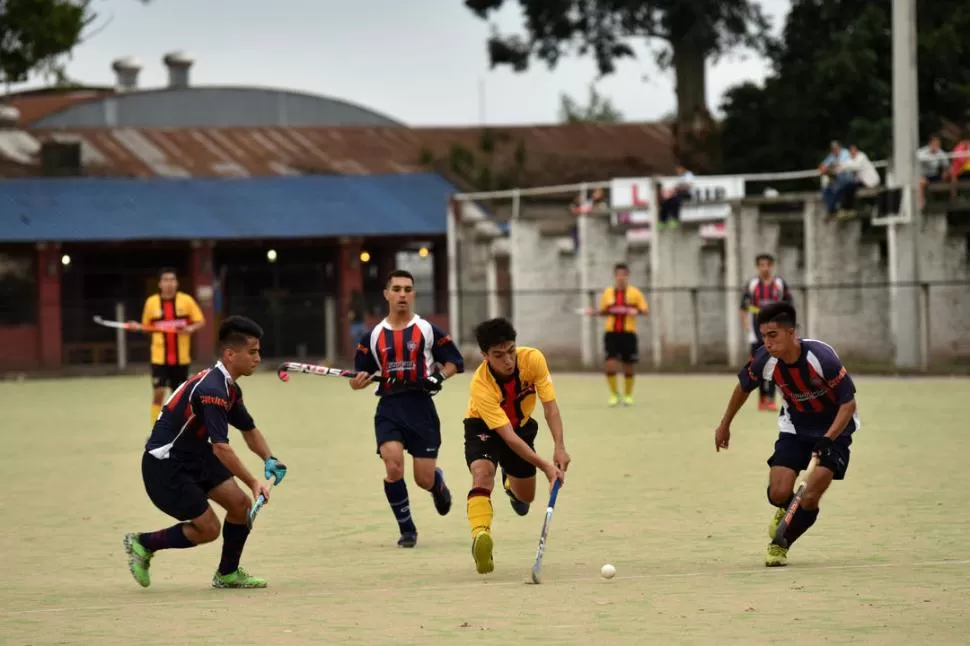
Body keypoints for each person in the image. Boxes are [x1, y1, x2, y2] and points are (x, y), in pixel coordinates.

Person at [124, 316, 287, 589]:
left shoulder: (229, 388)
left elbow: (248, 429)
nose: (258, 358)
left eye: (258, 351)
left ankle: (227, 574)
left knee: (241, 506)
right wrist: (253, 482)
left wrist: (269, 458)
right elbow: (222, 448)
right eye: (252, 352)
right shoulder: (212, 390)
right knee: (209, 529)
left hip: (196, 455)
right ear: (230, 354)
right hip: (165, 466)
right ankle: (142, 543)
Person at [713, 302, 860, 568]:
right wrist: (725, 425)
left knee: (811, 495)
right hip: (795, 427)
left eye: (773, 336)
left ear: (791, 333)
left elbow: (848, 404)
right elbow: (743, 388)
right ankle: (786, 507)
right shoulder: (764, 360)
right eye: (764, 336)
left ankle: (780, 545)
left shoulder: (822, 359)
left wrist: (828, 439)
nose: (767, 343)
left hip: (836, 428)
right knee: (778, 493)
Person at [349, 269, 464, 548]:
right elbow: (359, 376)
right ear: (387, 294)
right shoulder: (373, 335)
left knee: (422, 478)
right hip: (389, 406)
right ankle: (407, 529)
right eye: (397, 289)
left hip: (421, 408)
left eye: (408, 289)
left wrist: (439, 377)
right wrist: (358, 383)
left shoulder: (426, 329)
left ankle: (436, 483)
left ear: (412, 294)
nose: (402, 294)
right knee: (393, 465)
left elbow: (455, 362)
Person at [463, 317, 570, 575]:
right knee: (482, 473)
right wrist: (545, 465)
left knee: (526, 498)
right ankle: (480, 535)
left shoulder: (533, 360)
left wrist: (559, 447)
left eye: (511, 351)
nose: (508, 360)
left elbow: (550, 407)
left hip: (521, 425)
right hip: (483, 427)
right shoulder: (481, 385)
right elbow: (507, 437)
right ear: (484, 355)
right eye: (498, 355)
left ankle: (511, 486)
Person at [141, 267, 206, 425]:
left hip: (181, 358)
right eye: (165, 280)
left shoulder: (186, 301)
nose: (168, 283)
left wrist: (190, 328)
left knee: (180, 396)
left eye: (172, 280)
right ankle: (155, 428)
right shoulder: (151, 303)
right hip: (159, 357)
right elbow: (145, 327)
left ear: (177, 283)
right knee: (159, 391)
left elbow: (200, 321)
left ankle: (180, 428)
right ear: (160, 284)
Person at [740, 253, 794, 411]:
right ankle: (761, 398)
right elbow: (743, 307)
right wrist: (746, 325)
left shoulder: (779, 284)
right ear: (757, 267)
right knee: (756, 365)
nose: (765, 268)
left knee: (774, 364)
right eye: (761, 265)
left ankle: (771, 398)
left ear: (771, 266)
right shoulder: (752, 284)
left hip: (776, 333)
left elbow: (789, 305)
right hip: (756, 332)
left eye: (767, 265)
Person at [598, 262, 648, 406]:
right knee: (610, 363)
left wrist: (636, 311)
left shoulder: (635, 293)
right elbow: (603, 311)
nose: (621, 277)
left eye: (623, 274)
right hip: (611, 333)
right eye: (618, 274)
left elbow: (644, 310)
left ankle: (628, 395)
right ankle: (614, 394)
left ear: (627, 276)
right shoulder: (608, 293)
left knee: (628, 365)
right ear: (614, 276)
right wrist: (597, 312)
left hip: (628, 333)